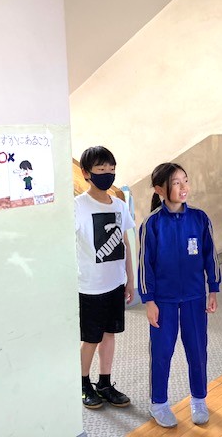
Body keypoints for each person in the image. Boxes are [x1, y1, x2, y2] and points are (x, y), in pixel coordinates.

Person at [138, 163, 221, 428]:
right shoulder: (152, 223)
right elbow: (145, 265)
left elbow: (210, 256)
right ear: (160, 189)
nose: (184, 187)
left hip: (195, 298)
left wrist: (213, 289)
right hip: (163, 301)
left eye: (186, 180)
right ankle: (159, 403)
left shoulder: (199, 218)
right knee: (162, 353)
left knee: (197, 350)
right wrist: (149, 301)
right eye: (176, 183)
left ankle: (199, 398)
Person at [75, 146, 135, 409]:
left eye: (111, 169)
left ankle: (105, 383)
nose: (107, 173)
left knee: (110, 334)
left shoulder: (120, 205)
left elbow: (125, 243)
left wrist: (130, 279)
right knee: (91, 338)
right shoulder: (78, 206)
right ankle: (83, 383)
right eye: (101, 169)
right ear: (86, 173)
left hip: (115, 283)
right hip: (90, 286)